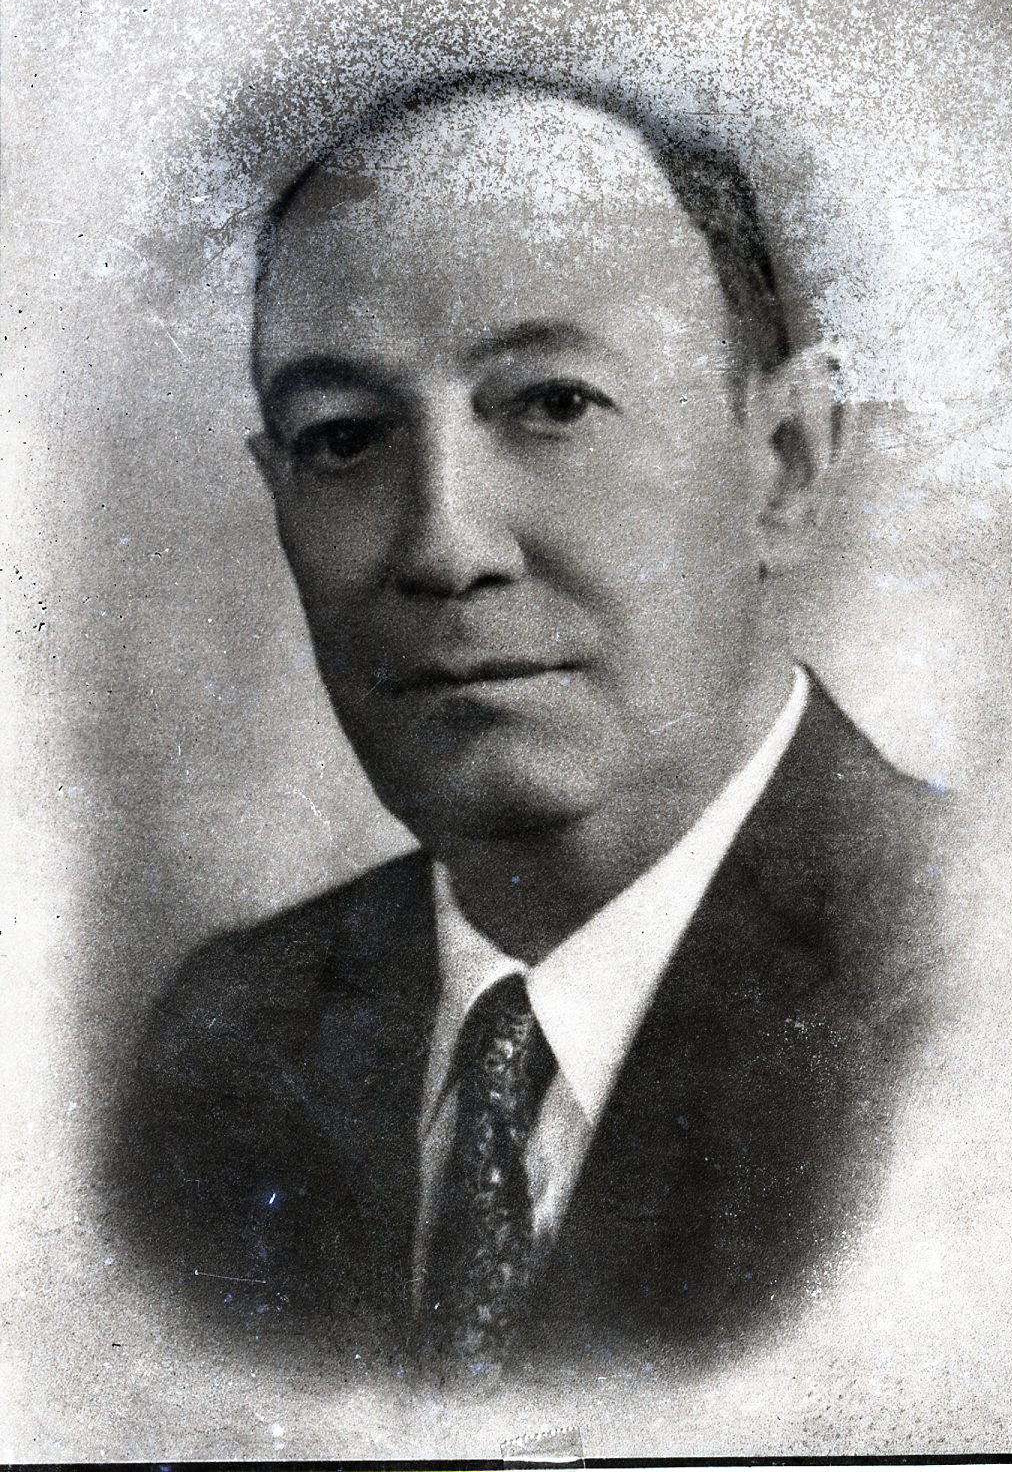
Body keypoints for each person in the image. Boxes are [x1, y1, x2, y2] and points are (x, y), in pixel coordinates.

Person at [107, 69, 949, 1385]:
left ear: (783, 464)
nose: (444, 548)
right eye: (343, 440)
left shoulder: (999, 993)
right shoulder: (225, 1041)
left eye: (553, 404)